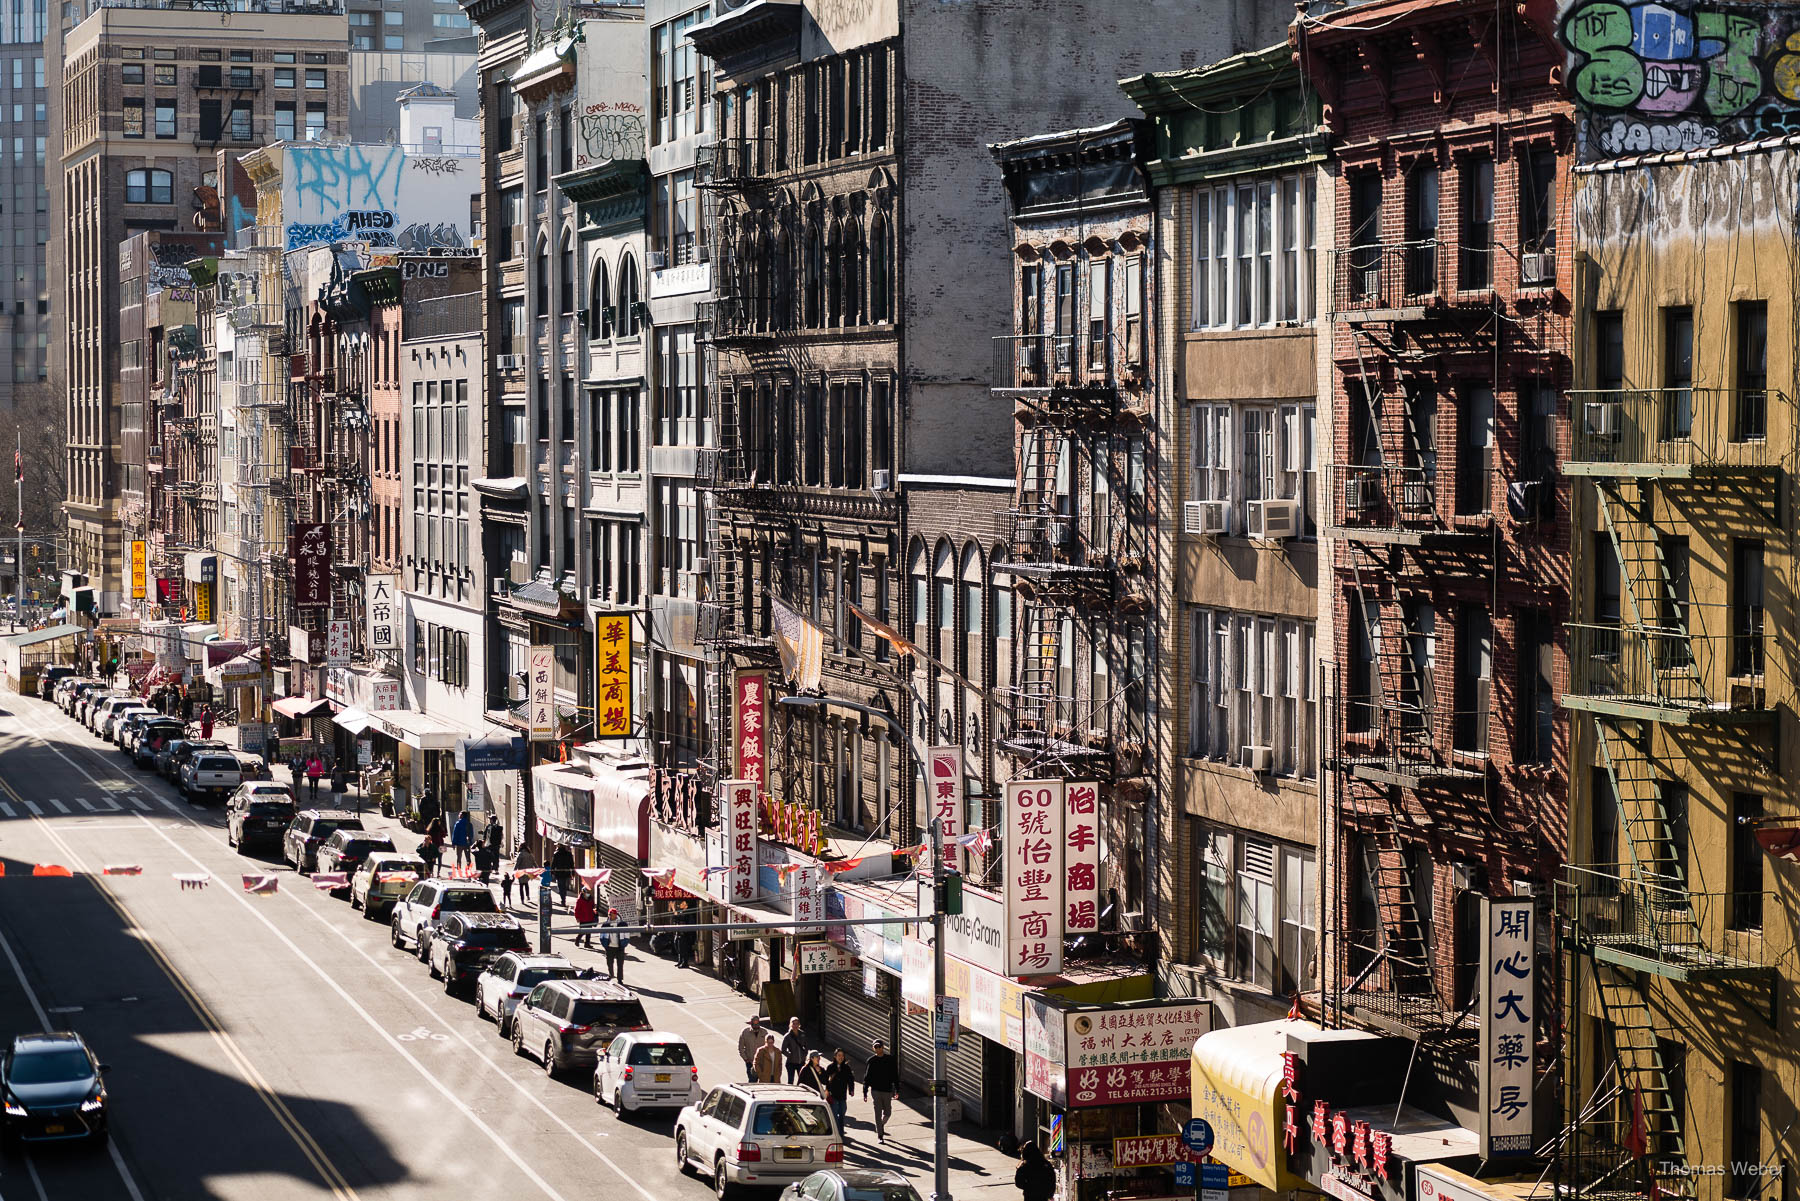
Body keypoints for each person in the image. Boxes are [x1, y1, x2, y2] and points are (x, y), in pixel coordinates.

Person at [863, 1038, 898, 1142]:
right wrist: (865, 1092)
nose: (878, 1049)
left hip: (887, 1090)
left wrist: (897, 1089)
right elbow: (867, 1077)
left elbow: (895, 1075)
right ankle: (880, 1135)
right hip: (876, 1091)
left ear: (883, 1047)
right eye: (875, 1047)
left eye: (879, 1046)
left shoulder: (890, 1059)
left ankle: (880, 1125)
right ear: (873, 1048)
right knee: (877, 1112)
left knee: (888, 1112)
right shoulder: (871, 1061)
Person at [822, 1049, 856, 1134]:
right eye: (839, 1055)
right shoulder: (831, 1067)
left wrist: (851, 1090)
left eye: (842, 1056)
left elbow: (850, 1079)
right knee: (834, 1114)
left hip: (842, 1094)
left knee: (842, 1112)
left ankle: (840, 1131)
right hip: (833, 1094)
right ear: (835, 1056)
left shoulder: (846, 1067)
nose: (841, 1057)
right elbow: (826, 1080)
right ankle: (837, 1132)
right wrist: (827, 1090)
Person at [599, 907, 628, 980]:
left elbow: (627, 935)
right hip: (609, 947)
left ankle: (620, 979)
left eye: (611, 914)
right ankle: (611, 975)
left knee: (620, 964)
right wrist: (605, 945)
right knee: (609, 963)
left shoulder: (622, 924)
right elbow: (601, 936)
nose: (610, 916)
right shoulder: (605, 925)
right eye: (609, 914)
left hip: (620, 947)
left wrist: (623, 944)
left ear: (615, 915)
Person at [737, 1017, 765, 1084]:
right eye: (754, 1024)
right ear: (751, 1023)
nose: (756, 1026)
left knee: (764, 1082)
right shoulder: (745, 1032)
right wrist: (746, 1059)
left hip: (762, 1062)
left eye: (757, 1024)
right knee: (752, 1082)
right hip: (750, 1062)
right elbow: (740, 1047)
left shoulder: (764, 1032)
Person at [781, 1017, 807, 1086]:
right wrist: (790, 1055)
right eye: (793, 1024)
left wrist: (804, 1055)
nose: (795, 1026)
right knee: (790, 1081)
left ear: (799, 1025)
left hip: (801, 1062)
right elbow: (783, 1050)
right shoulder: (787, 1036)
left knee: (802, 1081)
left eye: (797, 1024)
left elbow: (806, 1046)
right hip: (791, 1063)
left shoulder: (802, 1034)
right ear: (790, 1025)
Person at [550, 842, 575, 906]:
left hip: (559, 873)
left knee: (560, 886)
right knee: (564, 886)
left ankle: (563, 899)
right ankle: (563, 899)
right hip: (566, 873)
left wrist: (552, 872)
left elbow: (553, 864)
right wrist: (572, 872)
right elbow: (572, 864)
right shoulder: (569, 854)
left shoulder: (556, 854)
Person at [675, 902, 697, 970]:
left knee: (684, 949)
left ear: (686, 906)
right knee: (679, 948)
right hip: (679, 933)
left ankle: (685, 963)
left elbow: (689, 923)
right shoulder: (681, 912)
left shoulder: (688, 914)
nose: (680, 905)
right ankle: (680, 961)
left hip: (685, 934)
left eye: (682, 904)